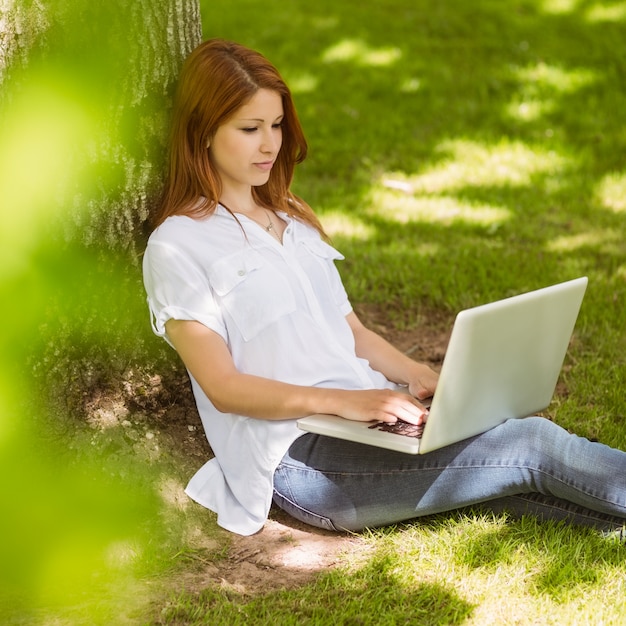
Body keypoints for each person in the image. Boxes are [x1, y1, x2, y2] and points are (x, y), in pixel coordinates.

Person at [143, 38, 626, 537]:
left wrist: (419, 375)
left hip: (368, 420)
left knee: (519, 474)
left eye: (277, 124)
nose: (271, 144)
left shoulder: (290, 218)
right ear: (202, 131)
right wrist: (348, 404)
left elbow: (352, 333)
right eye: (250, 129)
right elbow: (224, 388)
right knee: (530, 444)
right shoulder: (179, 244)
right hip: (302, 458)